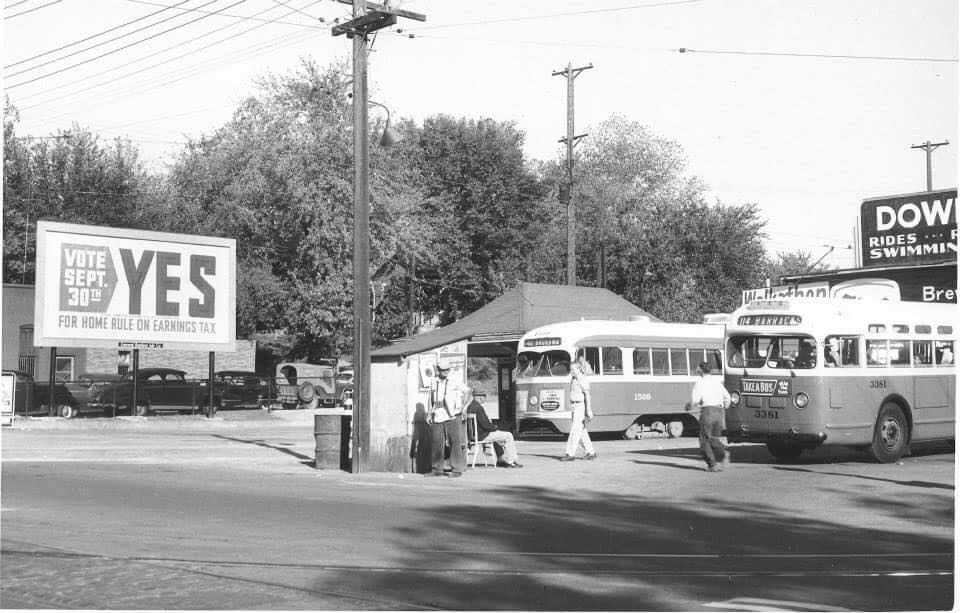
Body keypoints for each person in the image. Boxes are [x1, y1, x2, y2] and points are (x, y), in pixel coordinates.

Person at [427, 359, 467, 478]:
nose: (445, 372)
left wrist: (462, 408)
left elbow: (468, 392)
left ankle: (457, 470)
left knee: (455, 442)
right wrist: (429, 413)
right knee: (436, 443)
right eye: (442, 369)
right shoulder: (433, 381)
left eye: (447, 369)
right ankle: (436, 469)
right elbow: (430, 399)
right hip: (438, 414)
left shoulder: (455, 380)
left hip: (452, 415)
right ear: (438, 370)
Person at [689, 361, 731, 472]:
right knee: (713, 439)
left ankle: (712, 465)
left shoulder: (700, 383)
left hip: (708, 412)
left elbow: (695, 400)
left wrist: (689, 406)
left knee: (704, 440)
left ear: (701, 370)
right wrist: (724, 407)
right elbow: (728, 398)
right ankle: (723, 452)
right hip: (719, 411)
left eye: (698, 368)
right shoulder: (717, 382)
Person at [465, 391, 522, 468]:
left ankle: (500, 460)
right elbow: (485, 425)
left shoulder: (470, 407)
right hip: (482, 435)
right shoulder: (479, 408)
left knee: (497, 437)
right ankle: (511, 461)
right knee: (508, 435)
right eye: (484, 397)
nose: (485, 399)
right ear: (480, 397)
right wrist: (495, 427)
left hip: (473, 435)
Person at [561, 351, 596, 461]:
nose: (571, 372)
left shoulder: (582, 379)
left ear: (579, 369)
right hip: (575, 407)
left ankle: (570, 454)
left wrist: (588, 410)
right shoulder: (574, 379)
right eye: (570, 370)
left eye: (573, 370)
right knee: (581, 431)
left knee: (575, 430)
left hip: (580, 407)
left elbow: (587, 395)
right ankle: (591, 452)